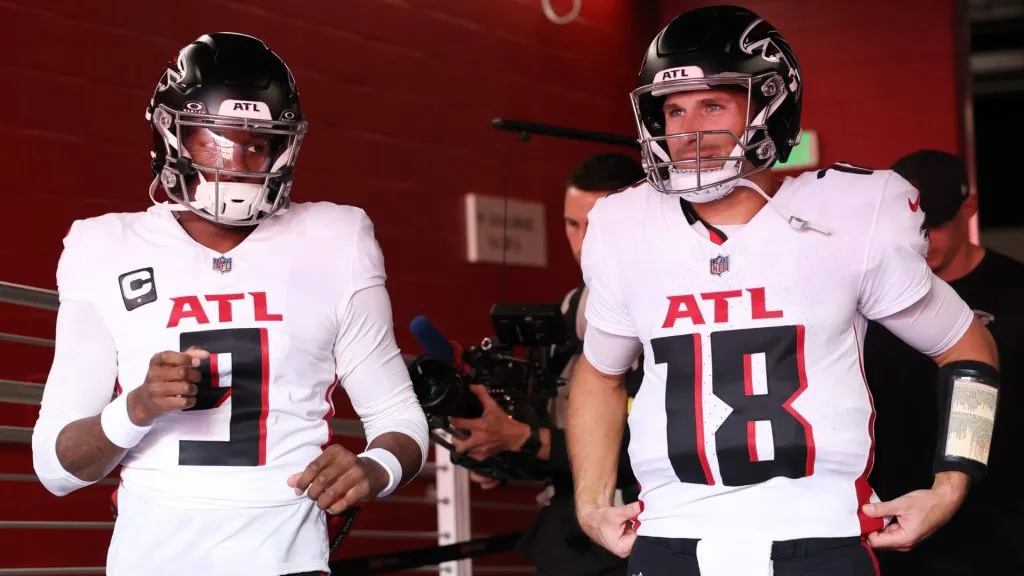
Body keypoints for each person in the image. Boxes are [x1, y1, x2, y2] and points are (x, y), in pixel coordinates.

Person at [565, 6, 1002, 576]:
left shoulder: (852, 213)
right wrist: (591, 501)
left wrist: (951, 485)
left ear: (771, 106)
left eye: (712, 104)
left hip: (818, 539)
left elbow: (969, 348)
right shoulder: (625, 225)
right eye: (673, 109)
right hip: (669, 539)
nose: (688, 128)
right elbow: (599, 372)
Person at [30, 32, 429, 576]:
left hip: (287, 558)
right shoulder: (103, 246)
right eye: (215, 140)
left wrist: (375, 467)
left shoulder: (338, 236)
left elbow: (398, 416)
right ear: (176, 136)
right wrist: (137, 407)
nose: (237, 162)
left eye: (257, 143)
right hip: (153, 560)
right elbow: (56, 467)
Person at [450, 153, 646, 576]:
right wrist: (501, 448)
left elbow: (663, 436)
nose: (581, 241)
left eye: (596, 225)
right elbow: (559, 417)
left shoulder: (671, 303)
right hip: (570, 537)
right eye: (572, 224)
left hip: (647, 528)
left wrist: (528, 440)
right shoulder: (573, 306)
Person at [865, 149, 1024, 576]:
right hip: (892, 511)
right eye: (914, 228)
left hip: (997, 516)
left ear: (968, 208)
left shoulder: (1015, 290)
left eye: (936, 225)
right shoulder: (866, 299)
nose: (926, 242)